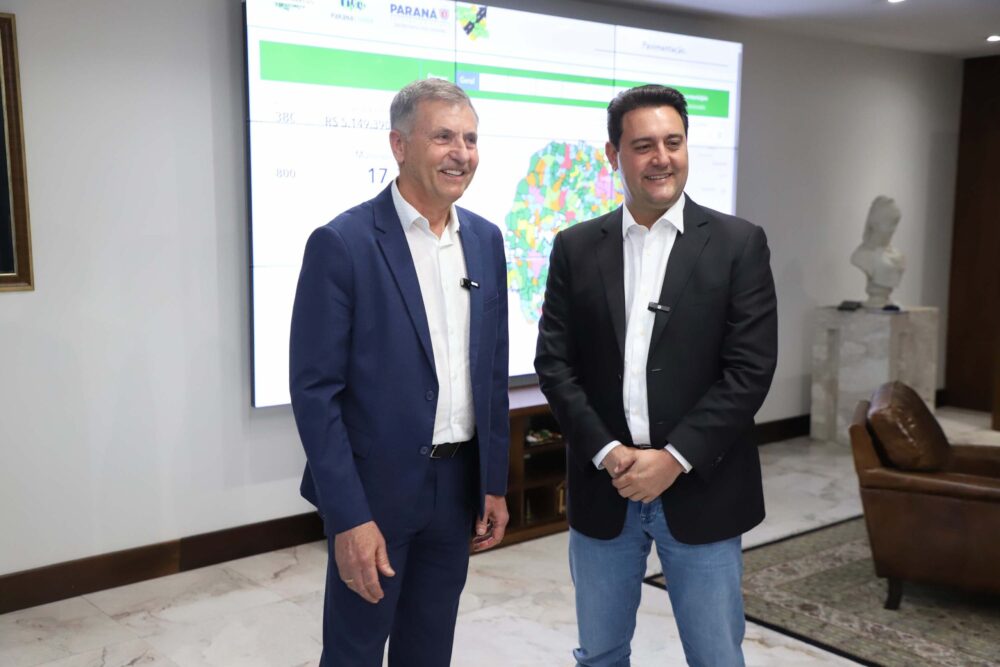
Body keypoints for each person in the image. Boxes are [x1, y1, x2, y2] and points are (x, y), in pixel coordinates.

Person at [534, 84, 778, 666]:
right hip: (606, 486)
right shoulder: (575, 247)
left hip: (703, 487)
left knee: (716, 656)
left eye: (673, 142)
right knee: (600, 654)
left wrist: (674, 459)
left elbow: (749, 370)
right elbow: (555, 363)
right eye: (643, 145)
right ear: (613, 155)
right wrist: (606, 451)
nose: (661, 158)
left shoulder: (738, 244)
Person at [289, 78, 510, 667]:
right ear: (399, 145)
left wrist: (493, 482)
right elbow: (315, 394)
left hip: (457, 488)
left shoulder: (485, 240)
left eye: (470, 138)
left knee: (429, 650)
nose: (461, 153)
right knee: (355, 652)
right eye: (443, 137)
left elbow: (491, 372)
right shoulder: (343, 243)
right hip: (375, 493)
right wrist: (349, 517)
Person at [850, 195, 905, 308]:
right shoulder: (861, 255)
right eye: (890, 223)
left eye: (895, 224)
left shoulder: (897, 256)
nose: (893, 229)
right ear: (875, 223)